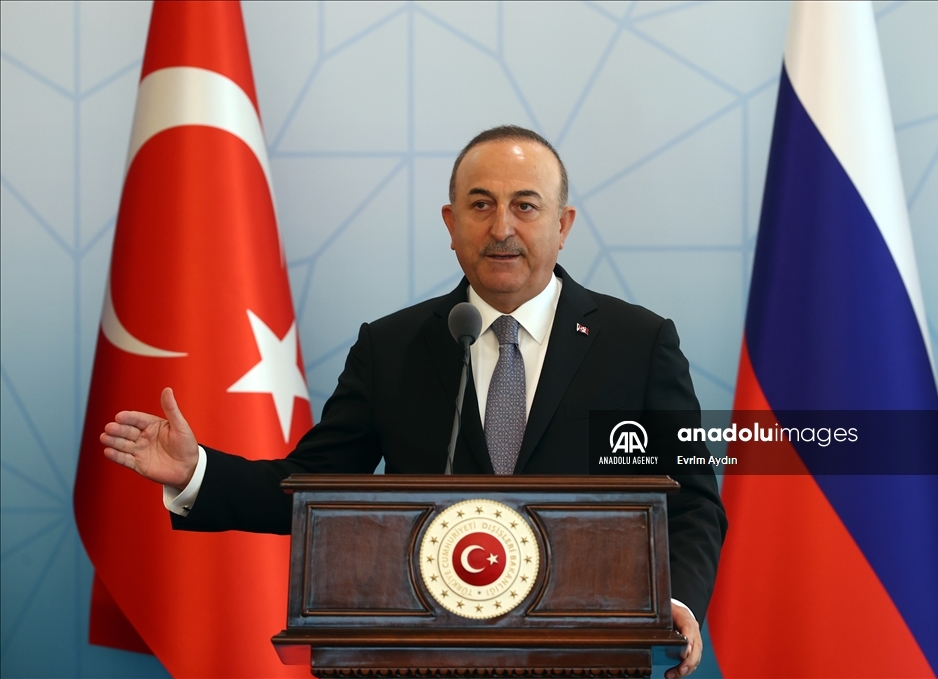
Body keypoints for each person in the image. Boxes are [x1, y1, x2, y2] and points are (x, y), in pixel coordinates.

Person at [100, 125, 726, 679]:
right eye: (480, 205)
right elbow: (314, 486)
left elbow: (693, 503)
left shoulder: (638, 344)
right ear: (451, 225)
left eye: (525, 205)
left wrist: (674, 601)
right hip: (424, 659)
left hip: (587, 656)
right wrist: (198, 472)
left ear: (562, 226)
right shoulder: (392, 347)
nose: (502, 228)